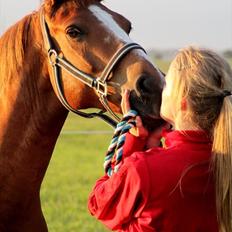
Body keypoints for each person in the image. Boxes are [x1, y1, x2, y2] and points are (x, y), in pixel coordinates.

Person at [88, 46, 232, 232]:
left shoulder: (142, 168)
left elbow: (98, 204)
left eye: (167, 85)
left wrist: (134, 143)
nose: (161, 89)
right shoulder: (224, 162)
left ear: (183, 102)